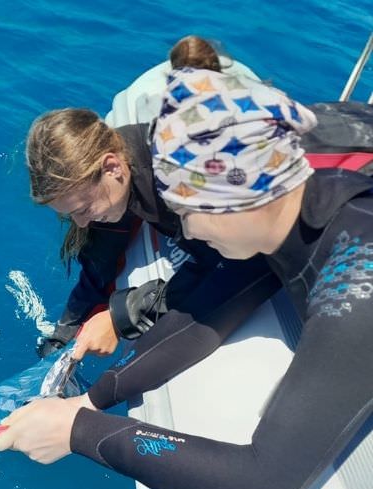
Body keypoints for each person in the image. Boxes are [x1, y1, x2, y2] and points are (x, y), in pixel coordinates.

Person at [0, 68, 373, 489]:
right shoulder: (280, 203)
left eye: (188, 210)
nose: (185, 231)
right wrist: (93, 396)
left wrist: (78, 430)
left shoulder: (356, 283)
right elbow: (210, 305)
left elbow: (260, 486)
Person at [36, 36, 265, 362]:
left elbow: (227, 264)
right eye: (69, 214)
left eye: (83, 209)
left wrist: (119, 319)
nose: (80, 221)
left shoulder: (179, 182)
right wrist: (63, 333)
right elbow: (99, 263)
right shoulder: (118, 180)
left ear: (112, 167)